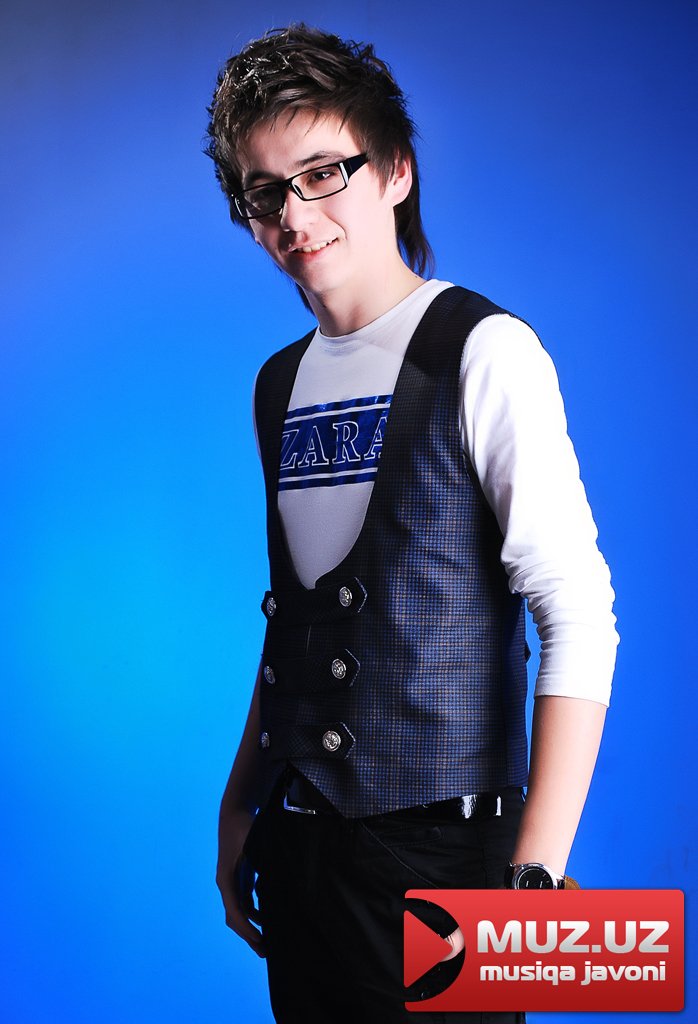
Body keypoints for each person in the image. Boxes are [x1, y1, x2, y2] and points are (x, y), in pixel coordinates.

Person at [206, 24, 618, 1024]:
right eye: (265, 192)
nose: (295, 214)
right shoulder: (277, 385)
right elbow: (298, 620)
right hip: (299, 849)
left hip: (452, 861)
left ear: (394, 169)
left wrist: (533, 884)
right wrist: (240, 804)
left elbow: (577, 615)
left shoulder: (485, 350)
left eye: (322, 174)